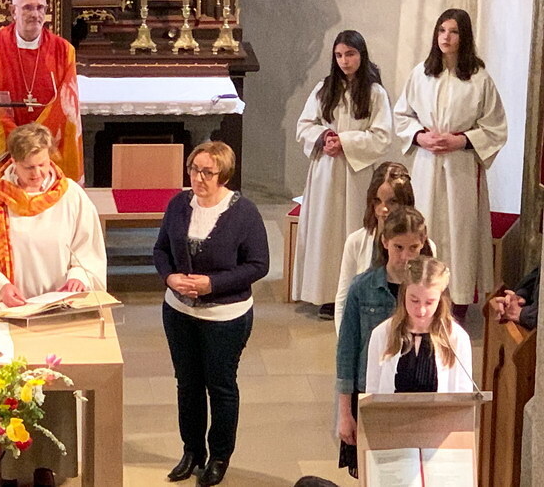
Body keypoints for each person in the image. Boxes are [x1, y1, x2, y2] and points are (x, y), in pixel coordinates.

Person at [0, 122, 106, 485]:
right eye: (28, 167)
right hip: (6, 313)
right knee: (6, 390)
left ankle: (46, 467)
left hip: (54, 314)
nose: (37, 174)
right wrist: (0, 286)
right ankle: (5, 467)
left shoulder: (70, 197)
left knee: (51, 391)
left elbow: (87, 249)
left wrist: (79, 276)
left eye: (43, 164)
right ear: (13, 163)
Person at [154, 142, 269, 486]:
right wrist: (169, 277)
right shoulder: (178, 204)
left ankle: (219, 456)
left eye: (208, 172)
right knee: (187, 384)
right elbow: (161, 249)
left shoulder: (244, 212)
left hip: (225, 317)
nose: (199, 178)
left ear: (224, 175)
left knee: (220, 386)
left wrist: (212, 284)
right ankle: (192, 451)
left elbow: (258, 264)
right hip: (178, 312)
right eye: (194, 169)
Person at [394, 8, 508, 320]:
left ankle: (457, 302)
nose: (446, 37)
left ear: (464, 36)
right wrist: (420, 136)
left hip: (461, 168)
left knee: (460, 233)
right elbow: (402, 115)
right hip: (428, 165)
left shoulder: (479, 79)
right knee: (426, 226)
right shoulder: (421, 74)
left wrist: (462, 140)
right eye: (442, 30)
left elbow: (496, 127)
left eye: (454, 32)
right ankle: (420, 298)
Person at [293, 30, 392, 320]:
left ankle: (355, 291)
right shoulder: (325, 88)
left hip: (356, 173)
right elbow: (304, 125)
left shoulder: (375, 93)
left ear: (361, 55)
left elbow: (382, 135)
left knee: (353, 229)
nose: (344, 61)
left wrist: (345, 142)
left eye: (350, 54)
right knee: (325, 231)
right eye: (339, 55)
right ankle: (325, 294)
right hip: (325, 172)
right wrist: (324, 137)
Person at [335, 207, 432, 478]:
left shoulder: (430, 290)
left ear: (423, 244)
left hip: (417, 393)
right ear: (385, 242)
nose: (405, 256)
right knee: (374, 474)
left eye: (413, 248)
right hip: (371, 392)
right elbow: (346, 353)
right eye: (399, 247)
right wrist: (345, 413)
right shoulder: (362, 287)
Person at [0, 0, 83, 192]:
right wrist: (18, 142)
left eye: (40, 8)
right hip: (5, 154)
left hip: (46, 156)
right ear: (13, 11)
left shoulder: (64, 51)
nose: (35, 14)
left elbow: (66, 108)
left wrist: (36, 145)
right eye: (27, 7)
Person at [334, 162, 422, 336]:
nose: (383, 209)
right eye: (377, 201)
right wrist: (344, 340)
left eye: (392, 202)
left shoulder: (424, 246)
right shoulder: (355, 242)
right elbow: (343, 300)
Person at [366, 256, 473, 393]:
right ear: (404, 294)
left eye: (429, 302)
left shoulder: (457, 337)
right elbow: (372, 391)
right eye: (414, 300)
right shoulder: (381, 334)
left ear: (441, 300)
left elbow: (464, 394)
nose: (421, 310)